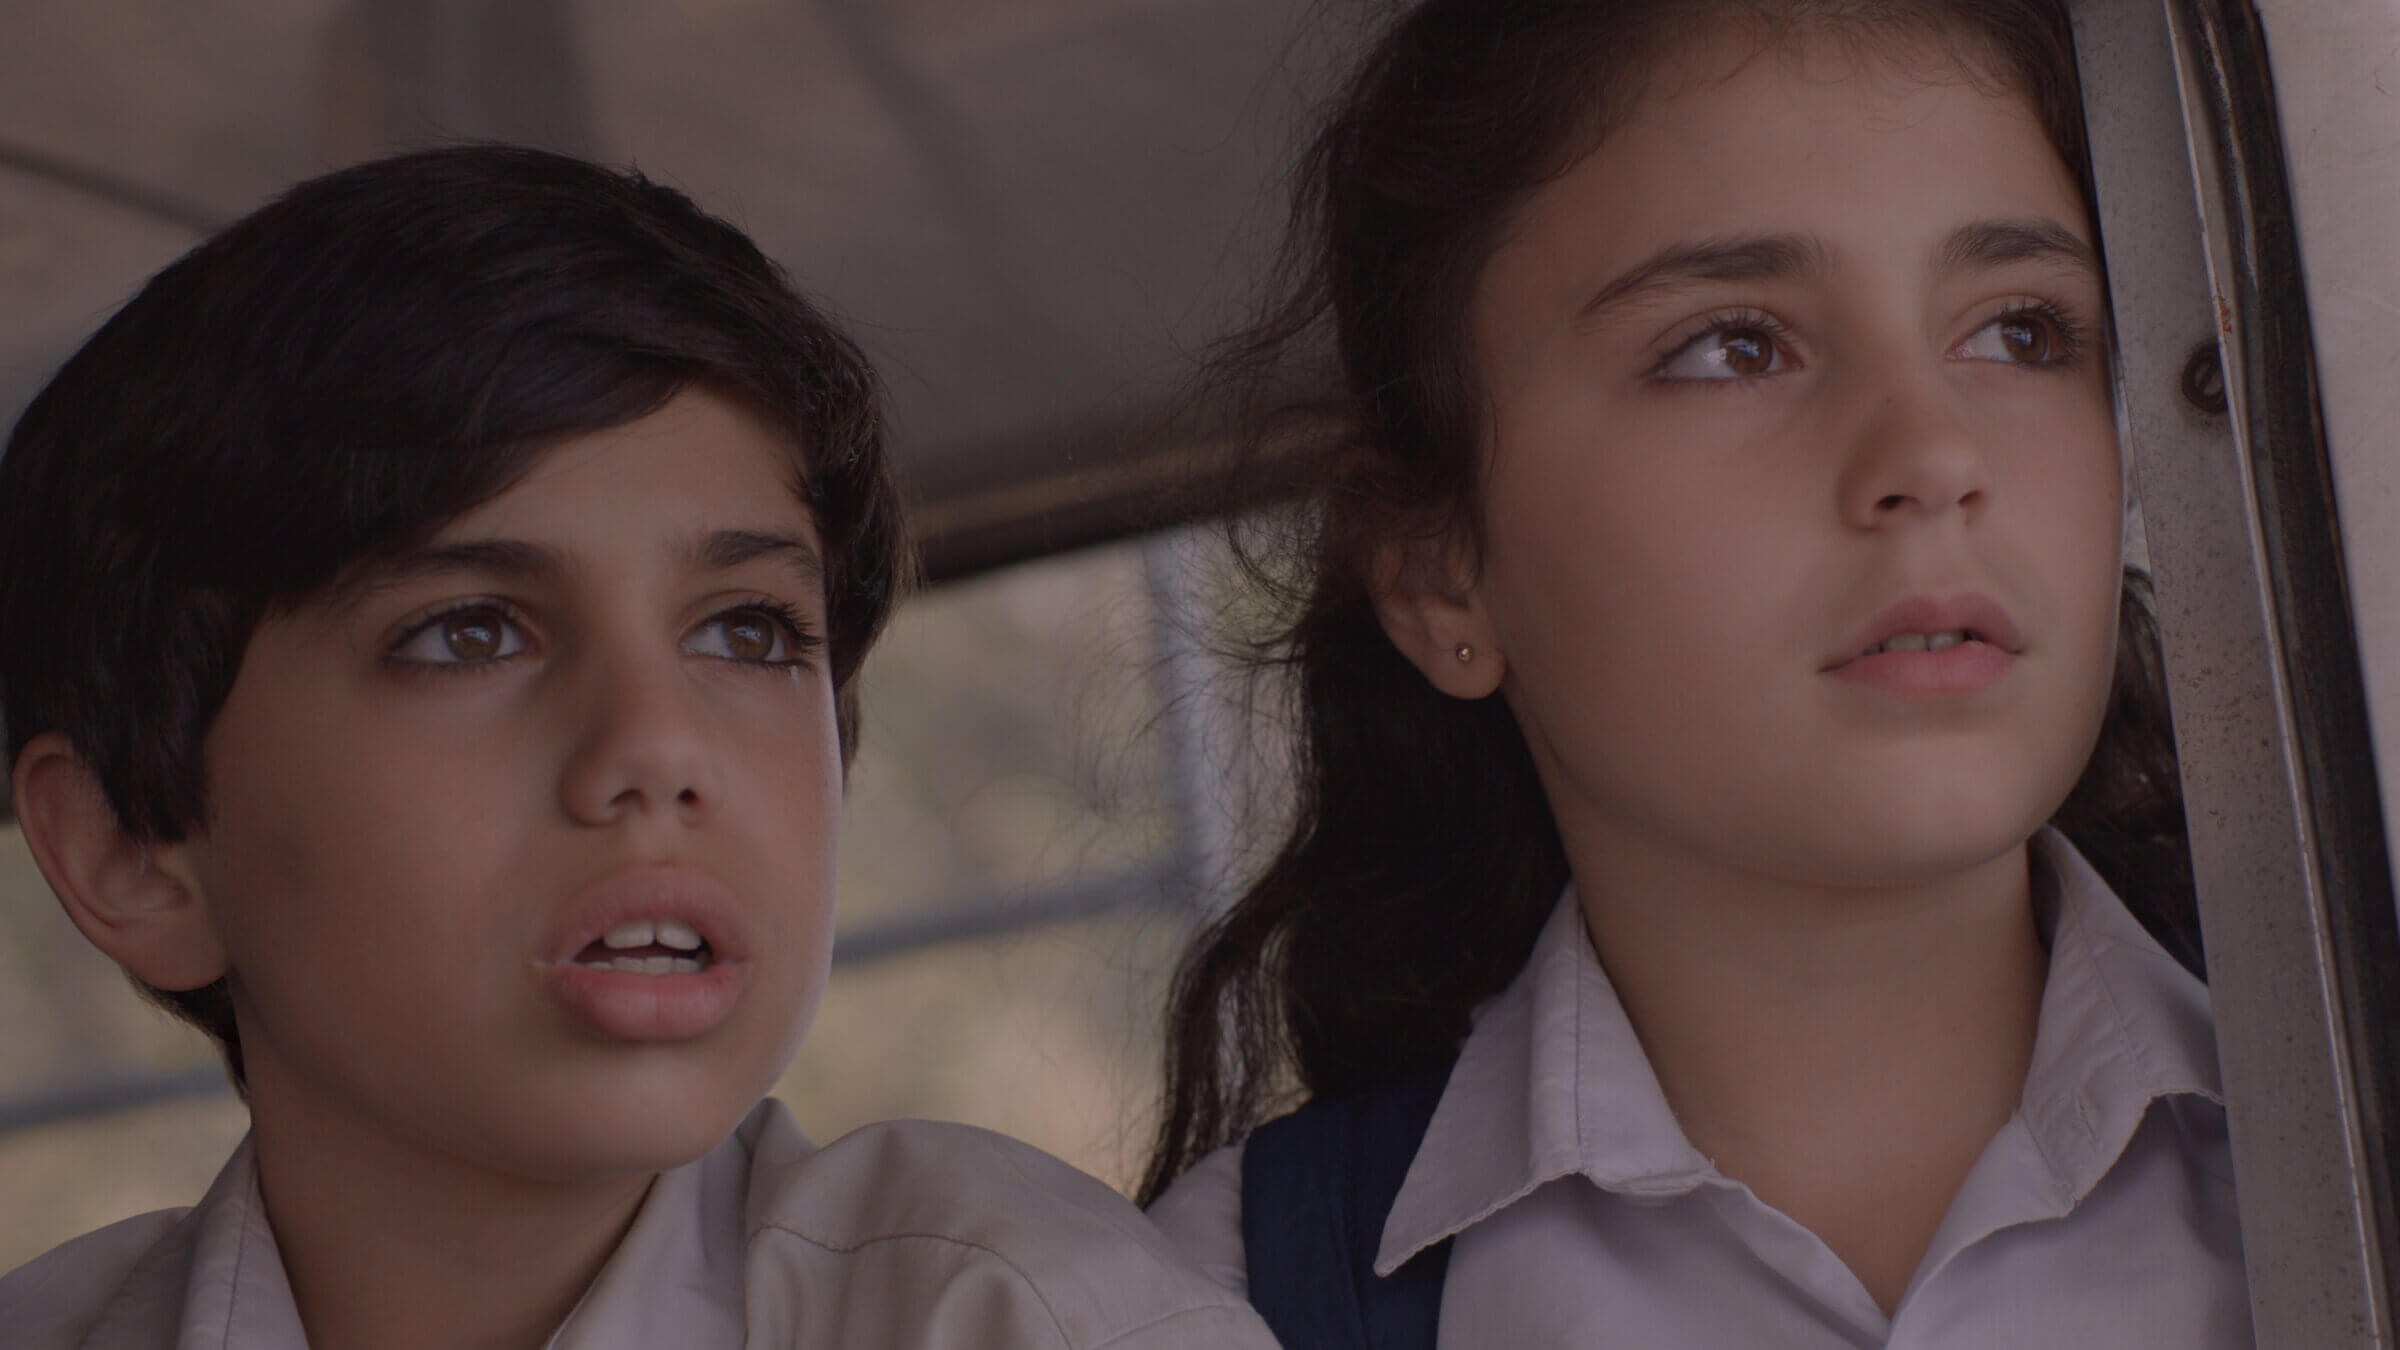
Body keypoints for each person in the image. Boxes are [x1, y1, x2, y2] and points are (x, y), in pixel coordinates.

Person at [0, 144, 1273, 1350]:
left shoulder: (1019, 1322)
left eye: (749, 632)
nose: (659, 747)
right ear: (128, 848)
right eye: (470, 635)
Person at [1140, 1, 2248, 1345]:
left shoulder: (2349, 1106)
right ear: (1436, 571)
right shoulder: (1206, 1303)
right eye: (1734, 345)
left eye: (2020, 330)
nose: (1933, 453)